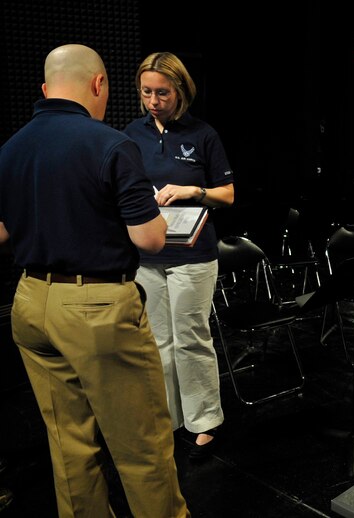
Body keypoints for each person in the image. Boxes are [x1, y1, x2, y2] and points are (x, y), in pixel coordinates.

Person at [0, 44, 188, 517]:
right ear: (98, 85)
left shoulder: (10, 148)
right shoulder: (110, 144)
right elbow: (149, 240)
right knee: (141, 444)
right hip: (97, 312)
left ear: (45, 89)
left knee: (68, 447)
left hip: (29, 305)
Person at [124, 52, 234, 461]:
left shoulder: (202, 134)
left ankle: (204, 420)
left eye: (163, 93)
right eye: (147, 92)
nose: (154, 100)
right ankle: (168, 417)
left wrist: (193, 191)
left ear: (181, 91)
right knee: (158, 342)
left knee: (190, 338)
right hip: (148, 254)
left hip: (194, 256)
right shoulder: (131, 134)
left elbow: (228, 194)